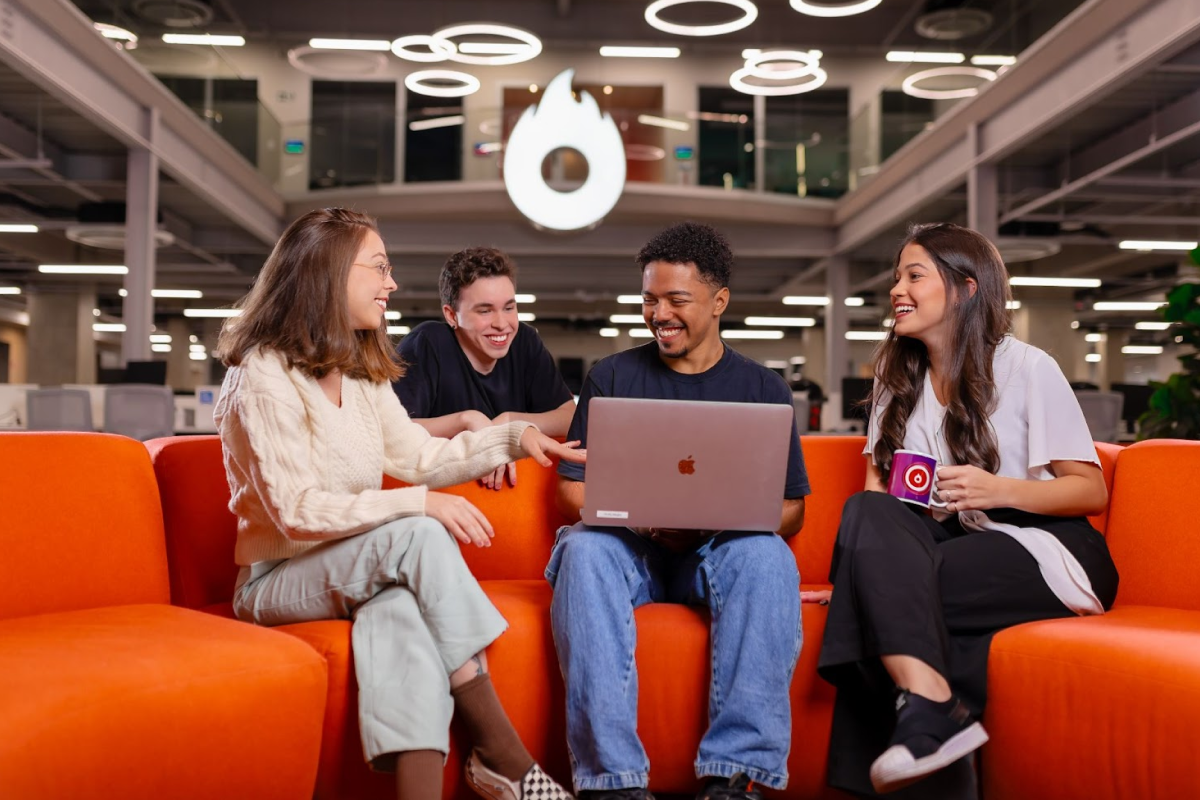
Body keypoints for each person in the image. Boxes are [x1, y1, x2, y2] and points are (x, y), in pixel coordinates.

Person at [214, 208, 584, 800]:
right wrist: (421, 507)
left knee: (404, 619)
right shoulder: (262, 376)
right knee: (419, 533)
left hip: (356, 561)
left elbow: (416, 455)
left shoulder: (359, 370)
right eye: (379, 268)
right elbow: (295, 511)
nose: (391, 284)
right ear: (330, 273)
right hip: (276, 579)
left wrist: (512, 438)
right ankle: (505, 755)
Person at [816, 222, 1119, 798]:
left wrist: (995, 490)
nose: (897, 290)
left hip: (1043, 545)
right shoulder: (894, 377)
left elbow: (1089, 491)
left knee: (886, 603)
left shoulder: (1027, 367)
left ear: (966, 287)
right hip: (949, 546)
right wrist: (860, 569)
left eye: (914, 275)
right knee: (864, 513)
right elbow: (878, 496)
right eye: (896, 278)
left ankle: (911, 743)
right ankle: (932, 717)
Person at [547, 222, 811, 800]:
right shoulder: (612, 376)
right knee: (584, 548)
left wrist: (723, 515)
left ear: (718, 302)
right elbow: (569, 491)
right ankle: (612, 783)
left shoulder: (764, 389)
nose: (658, 312)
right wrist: (638, 517)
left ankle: (735, 778)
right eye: (649, 299)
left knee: (768, 558)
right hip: (630, 552)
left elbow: (792, 511)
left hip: (717, 554)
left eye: (676, 300)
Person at [394, 247, 575, 490]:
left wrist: (507, 424)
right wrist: (467, 420)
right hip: (446, 496)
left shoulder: (525, 341)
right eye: (485, 311)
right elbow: (391, 431)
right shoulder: (427, 343)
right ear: (451, 315)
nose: (502, 324)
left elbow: (569, 417)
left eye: (509, 308)